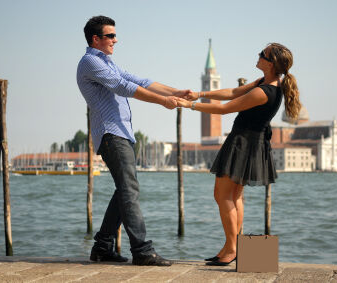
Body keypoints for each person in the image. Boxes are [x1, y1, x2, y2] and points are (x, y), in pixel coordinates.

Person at [77, 15, 189, 266]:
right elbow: (122, 87)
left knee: (125, 190)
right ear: (96, 39)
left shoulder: (108, 62)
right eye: (110, 36)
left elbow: (139, 81)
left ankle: (103, 247)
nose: (116, 40)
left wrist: (174, 92)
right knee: (129, 190)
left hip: (122, 134)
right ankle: (142, 250)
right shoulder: (89, 62)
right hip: (112, 133)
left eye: (115, 35)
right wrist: (162, 101)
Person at [177, 43, 301, 266]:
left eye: (262, 54)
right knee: (234, 196)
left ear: (271, 64)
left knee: (222, 194)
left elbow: (226, 108)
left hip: (243, 143)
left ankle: (233, 248)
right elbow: (233, 92)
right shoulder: (268, 83)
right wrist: (200, 94)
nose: (258, 55)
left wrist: (190, 105)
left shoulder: (263, 92)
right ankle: (231, 247)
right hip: (252, 143)